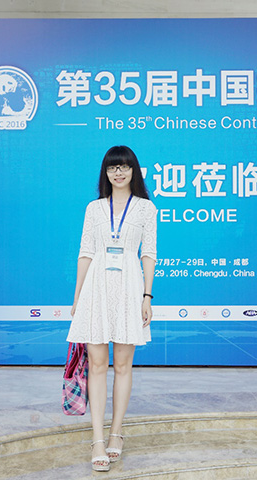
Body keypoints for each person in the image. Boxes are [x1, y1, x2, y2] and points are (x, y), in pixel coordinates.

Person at [66, 146, 157, 472]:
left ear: (134, 171)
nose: (118, 173)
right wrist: (77, 298)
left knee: (122, 365)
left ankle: (116, 432)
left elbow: (149, 254)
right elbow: (85, 252)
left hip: (130, 288)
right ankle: (97, 439)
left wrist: (147, 296)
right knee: (96, 364)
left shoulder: (146, 208)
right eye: (112, 168)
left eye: (124, 167)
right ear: (105, 173)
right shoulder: (94, 208)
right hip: (96, 288)